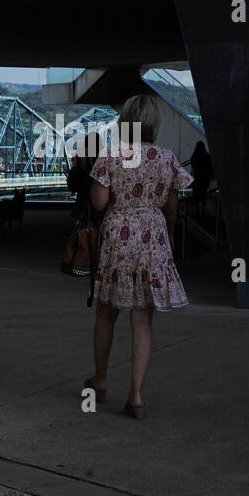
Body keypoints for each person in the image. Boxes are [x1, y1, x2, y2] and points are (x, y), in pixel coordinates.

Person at [84, 94, 191, 419]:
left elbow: (100, 203)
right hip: (153, 235)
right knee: (142, 318)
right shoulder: (166, 158)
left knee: (106, 312)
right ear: (153, 124)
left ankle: (100, 381)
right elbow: (172, 207)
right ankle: (137, 396)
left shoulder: (112, 156)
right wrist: (167, 234)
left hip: (119, 235)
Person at [189, 140, 213, 217]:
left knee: (195, 193)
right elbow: (210, 168)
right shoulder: (208, 156)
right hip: (205, 180)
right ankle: (202, 209)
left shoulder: (195, 156)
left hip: (197, 179)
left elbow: (192, 166)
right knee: (203, 194)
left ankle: (196, 209)